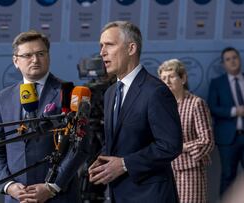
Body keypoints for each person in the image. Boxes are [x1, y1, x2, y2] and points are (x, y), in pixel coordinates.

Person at [0, 30, 89, 203]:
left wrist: (52, 186)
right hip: (17, 197)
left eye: (40, 54)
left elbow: (80, 146)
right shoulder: (3, 97)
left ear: (48, 56)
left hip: (58, 196)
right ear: (15, 61)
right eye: (27, 55)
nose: (35, 60)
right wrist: (9, 185)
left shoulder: (69, 92)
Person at [88, 21, 183, 202]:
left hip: (150, 196)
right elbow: (118, 141)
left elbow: (170, 145)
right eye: (101, 46)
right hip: (118, 194)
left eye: (109, 45)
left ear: (131, 48)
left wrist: (124, 164)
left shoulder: (156, 91)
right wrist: (102, 161)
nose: (102, 52)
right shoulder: (110, 93)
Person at [158, 59, 214, 203]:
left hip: (190, 171)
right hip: (164, 170)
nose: (167, 82)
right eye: (163, 78)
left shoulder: (196, 104)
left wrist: (180, 147)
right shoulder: (160, 106)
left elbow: (207, 141)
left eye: (171, 77)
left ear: (183, 78)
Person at [208, 47, 244, 196]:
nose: (232, 61)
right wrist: (235, 111)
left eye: (234, 57)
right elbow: (212, 107)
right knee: (228, 175)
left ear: (240, 59)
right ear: (223, 64)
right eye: (228, 59)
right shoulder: (217, 83)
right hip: (228, 139)